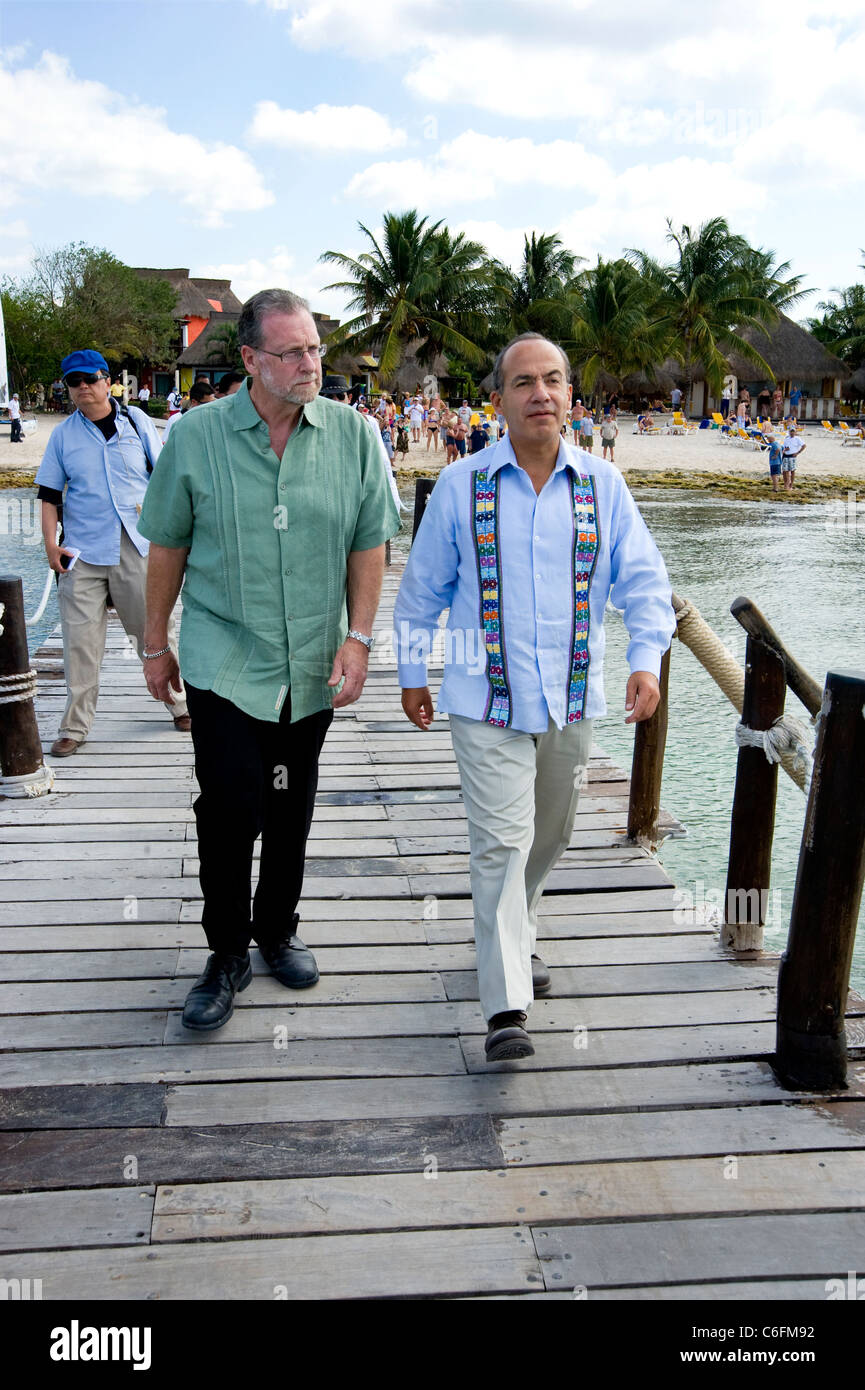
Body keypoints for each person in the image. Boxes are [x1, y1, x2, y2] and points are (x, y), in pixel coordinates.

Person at [394, 331, 674, 1061]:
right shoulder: (462, 485)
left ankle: (515, 934)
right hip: (481, 700)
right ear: (499, 400)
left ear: (570, 395)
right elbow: (421, 590)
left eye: (552, 380)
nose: (540, 394)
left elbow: (645, 584)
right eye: (523, 382)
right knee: (499, 843)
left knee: (546, 836)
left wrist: (645, 658)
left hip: (570, 699)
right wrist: (413, 672)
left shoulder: (603, 487)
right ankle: (504, 1006)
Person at [138, 290, 400, 1032]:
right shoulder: (196, 438)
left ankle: (276, 930)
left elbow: (368, 540)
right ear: (250, 359)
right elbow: (168, 543)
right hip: (225, 656)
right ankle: (225, 952)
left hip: (313, 660)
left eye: (314, 348)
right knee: (232, 802)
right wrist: (155, 644)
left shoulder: (353, 436)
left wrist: (359, 638)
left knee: (290, 803)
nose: (309, 363)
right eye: (291, 352)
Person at [34, 349, 189, 757]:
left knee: (154, 633)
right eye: (74, 381)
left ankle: (180, 705)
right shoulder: (63, 435)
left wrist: (174, 538)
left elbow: (163, 479)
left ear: (107, 381)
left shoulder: (137, 423)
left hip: (137, 544)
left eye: (89, 378)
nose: (82, 387)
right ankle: (75, 726)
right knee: (80, 644)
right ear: (67, 388)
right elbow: (49, 496)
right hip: (82, 551)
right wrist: (51, 546)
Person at [781, 423, 805, 491]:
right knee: (784, 471)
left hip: (792, 456)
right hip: (785, 456)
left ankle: (791, 485)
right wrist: (785, 450)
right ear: (789, 431)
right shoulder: (786, 438)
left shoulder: (797, 438)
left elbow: (804, 446)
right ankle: (786, 484)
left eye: (793, 431)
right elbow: (785, 447)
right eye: (791, 431)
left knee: (792, 471)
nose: (792, 432)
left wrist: (798, 453)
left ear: (795, 432)